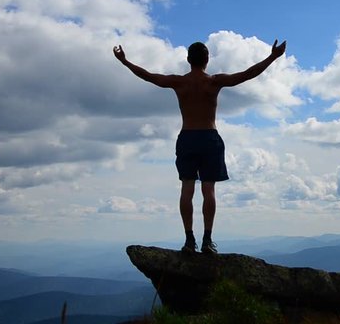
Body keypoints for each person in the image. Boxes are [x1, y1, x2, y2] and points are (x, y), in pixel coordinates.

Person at [113, 39, 287, 254]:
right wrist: (273, 56)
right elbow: (248, 74)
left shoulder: (179, 82)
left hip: (187, 137)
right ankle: (207, 241)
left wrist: (125, 62)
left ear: (188, 60)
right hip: (209, 138)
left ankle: (188, 241)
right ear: (207, 60)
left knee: (187, 189)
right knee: (208, 189)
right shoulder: (214, 82)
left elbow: (149, 76)